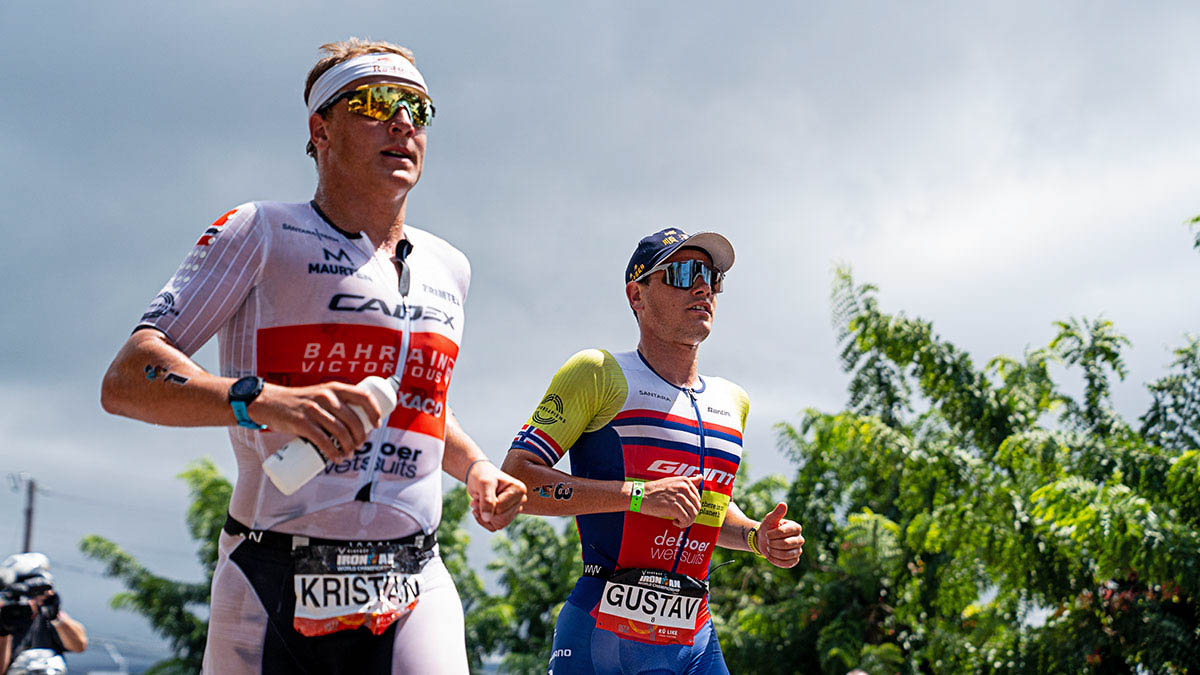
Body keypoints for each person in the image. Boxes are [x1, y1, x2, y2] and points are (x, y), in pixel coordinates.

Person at [100, 38, 526, 674]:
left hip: (414, 576)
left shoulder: (450, 266)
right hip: (274, 573)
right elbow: (128, 377)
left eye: (418, 109)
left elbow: (422, 403)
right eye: (375, 102)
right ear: (320, 129)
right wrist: (267, 401)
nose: (402, 122)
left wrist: (477, 468)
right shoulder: (261, 231)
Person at [501, 229, 806, 674]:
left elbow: (705, 509)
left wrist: (756, 537)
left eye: (711, 276)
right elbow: (515, 483)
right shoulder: (598, 373)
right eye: (682, 273)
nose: (702, 287)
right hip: (603, 631)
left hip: (695, 637)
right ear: (637, 295)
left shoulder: (732, 401)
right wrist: (639, 496)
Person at [0, 554, 87, 675]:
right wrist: (4, 631)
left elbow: (79, 645)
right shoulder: (5, 617)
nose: (32, 599)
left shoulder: (49, 617)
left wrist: (55, 617)